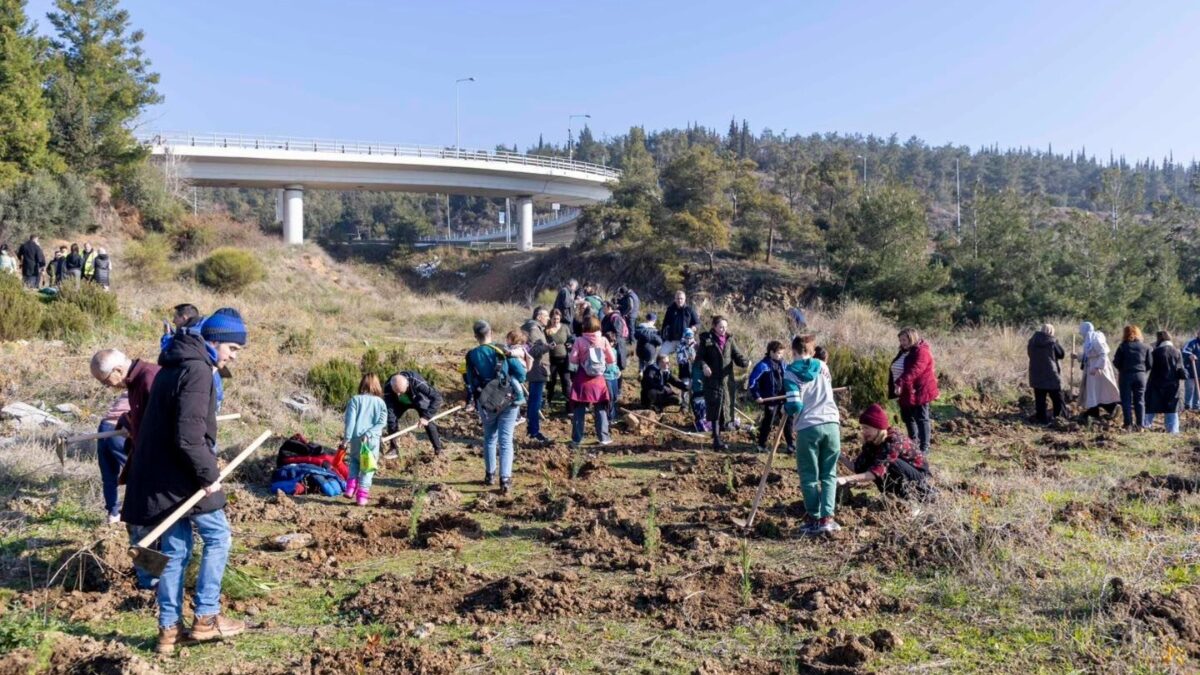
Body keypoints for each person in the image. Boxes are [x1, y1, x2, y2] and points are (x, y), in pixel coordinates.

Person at [122, 307, 248, 655]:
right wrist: (210, 477)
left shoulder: (172, 364)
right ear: (216, 340)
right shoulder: (197, 371)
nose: (233, 357)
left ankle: (168, 630)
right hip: (181, 477)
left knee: (175, 551)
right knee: (219, 536)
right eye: (232, 349)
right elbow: (189, 437)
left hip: (159, 475)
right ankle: (207, 617)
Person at [90, 348, 161, 590]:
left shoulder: (149, 378)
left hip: (157, 469)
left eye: (104, 381)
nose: (106, 387)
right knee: (137, 524)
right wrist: (128, 422)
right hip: (144, 466)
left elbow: (165, 425)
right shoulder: (135, 383)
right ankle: (151, 580)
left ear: (118, 370)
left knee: (147, 527)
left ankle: (155, 582)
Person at [784, 334, 842, 535]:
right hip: (832, 424)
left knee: (809, 475)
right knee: (829, 474)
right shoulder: (823, 366)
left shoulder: (790, 372)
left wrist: (787, 407)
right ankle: (827, 518)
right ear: (812, 350)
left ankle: (813, 518)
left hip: (808, 427)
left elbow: (795, 405)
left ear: (794, 351)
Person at [464, 320, 527, 493]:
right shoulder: (501, 349)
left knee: (489, 438)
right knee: (506, 440)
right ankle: (505, 479)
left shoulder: (471, 355)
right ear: (490, 332)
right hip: (508, 399)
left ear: (475, 336)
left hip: (485, 402)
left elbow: (470, 380)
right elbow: (521, 375)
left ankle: (489, 475)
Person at [838, 404, 933, 500]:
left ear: (877, 428)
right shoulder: (872, 442)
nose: (863, 431)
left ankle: (913, 498)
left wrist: (846, 479)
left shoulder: (894, 441)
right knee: (874, 463)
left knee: (891, 464)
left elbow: (877, 471)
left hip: (920, 479)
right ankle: (894, 498)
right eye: (862, 428)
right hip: (902, 476)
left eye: (866, 428)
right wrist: (840, 457)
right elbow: (858, 468)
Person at [697, 316, 749, 450]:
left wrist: (744, 362)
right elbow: (699, 358)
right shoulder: (706, 340)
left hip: (726, 381)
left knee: (724, 409)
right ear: (714, 326)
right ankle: (716, 440)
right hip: (712, 380)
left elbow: (737, 355)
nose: (723, 329)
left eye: (725, 327)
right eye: (720, 327)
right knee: (714, 407)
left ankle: (718, 438)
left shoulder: (729, 339)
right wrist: (704, 366)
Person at [888, 328, 939, 454]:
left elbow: (915, 370)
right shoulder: (904, 352)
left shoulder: (922, 352)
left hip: (919, 390)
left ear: (912, 338)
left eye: (904, 339)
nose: (902, 342)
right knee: (907, 417)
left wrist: (900, 382)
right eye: (900, 340)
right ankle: (913, 443)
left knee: (921, 418)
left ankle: (924, 447)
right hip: (905, 390)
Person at [569, 316, 615, 449]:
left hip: (583, 379)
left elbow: (573, 359)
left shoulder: (579, 340)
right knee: (600, 409)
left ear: (584, 327)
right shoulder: (604, 340)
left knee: (579, 410)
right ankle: (604, 437)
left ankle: (577, 439)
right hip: (598, 380)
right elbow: (611, 359)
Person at [343, 374, 387, 505]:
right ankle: (362, 496)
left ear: (362, 384)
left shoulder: (355, 400)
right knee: (368, 467)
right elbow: (382, 423)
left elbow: (350, 422)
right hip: (372, 440)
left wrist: (346, 439)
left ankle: (350, 488)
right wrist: (370, 433)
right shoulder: (380, 403)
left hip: (356, 438)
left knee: (355, 462)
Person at [382, 371, 445, 457]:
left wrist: (426, 417)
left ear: (407, 384)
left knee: (428, 423)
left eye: (400, 391)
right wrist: (391, 421)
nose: (399, 394)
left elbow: (437, 398)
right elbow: (390, 409)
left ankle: (438, 449)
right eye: (396, 392)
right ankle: (393, 448)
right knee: (391, 419)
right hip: (400, 403)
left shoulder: (416, 381)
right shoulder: (388, 386)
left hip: (417, 399)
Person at [749, 340, 795, 455]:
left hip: (784, 398)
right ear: (771, 352)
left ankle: (790, 445)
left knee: (788, 421)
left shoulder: (784, 365)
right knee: (768, 422)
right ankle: (762, 444)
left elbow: (789, 379)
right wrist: (757, 396)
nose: (781, 356)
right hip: (771, 400)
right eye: (779, 353)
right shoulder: (762, 366)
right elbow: (752, 382)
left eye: (782, 353)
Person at [521, 307, 554, 444]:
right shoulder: (534, 329)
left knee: (534, 401)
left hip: (536, 369)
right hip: (537, 369)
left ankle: (532, 429)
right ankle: (534, 431)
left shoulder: (533, 327)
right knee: (535, 402)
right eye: (546, 316)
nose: (548, 318)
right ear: (539, 316)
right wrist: (548, 346)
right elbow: (534, 350)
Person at [1145, 331, 1186, 434]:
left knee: (1150, 408)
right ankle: (1173, 433)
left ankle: (1144, 428)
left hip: (1156, 384)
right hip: (1173, 386)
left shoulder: (1155, 352)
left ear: (1159, 339)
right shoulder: (1177, 352)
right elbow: (1180, 369)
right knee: (1172, 410)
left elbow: (1148, 366)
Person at [1112, 325, 1152, 431]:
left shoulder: (1122, 346)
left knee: (1126, 401)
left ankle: (1128, 424)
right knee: (1140, 400)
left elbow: (1116, 362)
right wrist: (1142, 370)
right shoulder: (1146, 347)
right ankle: (1140, 425)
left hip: (1126, 375)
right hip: (1141, 375)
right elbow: (1150, 364)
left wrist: (1123, 369)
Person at [1077, 322, 1120, 420]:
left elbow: (1103, 354)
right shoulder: (1090, 340)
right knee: (1094, 392)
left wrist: (1097, 367)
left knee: (1099, 391)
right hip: (1092, 369)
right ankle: (1094, 411)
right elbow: (1089, 355)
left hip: (1098, 370)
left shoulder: (1096, 339)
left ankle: (1111, 409)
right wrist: (1078, 356)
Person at [1027, 323, 1066, 424]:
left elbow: (1029, 354)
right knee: (1057, 397)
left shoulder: (1032, 341)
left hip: (1036, 373)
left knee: (1040, 398)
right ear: (1051, 331)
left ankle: (1041, 419)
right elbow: (1061, 354)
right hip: (1050, 374)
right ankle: (1060, 418)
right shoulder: (1052, 342)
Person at [660, 290, 700, 360]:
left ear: (685, 299)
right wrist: (662, 338)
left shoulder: (690, 310)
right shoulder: (670, 310)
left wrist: (694, 328)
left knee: (684, 361)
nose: (679, 300)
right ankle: (663, 370)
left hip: (685, 340)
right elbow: (665, 324)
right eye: (678, 298)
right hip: (671, 339)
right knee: (661, 356)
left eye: (681, 299)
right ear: (675, 299)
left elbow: (698, 323)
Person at [544, 308, 572, 406]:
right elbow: (543, 343)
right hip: (551, 359)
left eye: (558, 319)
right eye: (554, 319)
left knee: (566, 381)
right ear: (550, 319)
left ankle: (569, 403)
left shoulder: (564, 327)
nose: (556, 321)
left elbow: (570, 338)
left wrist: (569, 344)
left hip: (564, 359)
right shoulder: (546, 330)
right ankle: (548, 400)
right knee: (551, 381)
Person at [603, 330, 624, 421]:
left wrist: (617, 370)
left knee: (615, 396)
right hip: (606, 377)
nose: (611, 343)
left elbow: (614, 364)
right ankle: (609, 417)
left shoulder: (614, 351)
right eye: (610, 341)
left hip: (614, 376)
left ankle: (613, 415)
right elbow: (605, 365)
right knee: (610, 397)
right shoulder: (602, 351)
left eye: (613, 341)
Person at [1182, 329, 1200, 412]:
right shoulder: (1192, 343)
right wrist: (1190, 355)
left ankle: (1196, 407)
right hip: (1191, 371)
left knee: (1198, 389)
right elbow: (1184, 351)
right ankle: (1187, 406)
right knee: (1190, 388)